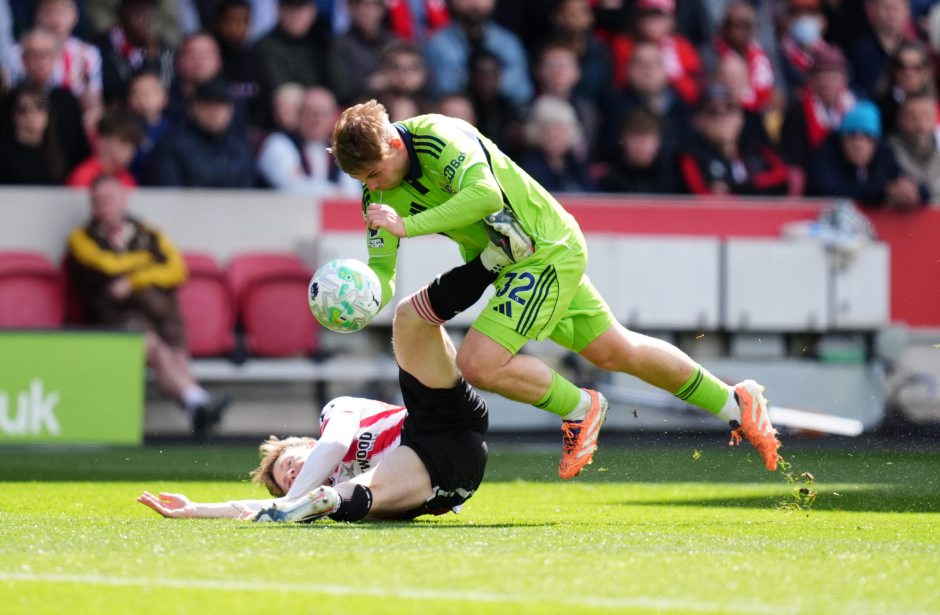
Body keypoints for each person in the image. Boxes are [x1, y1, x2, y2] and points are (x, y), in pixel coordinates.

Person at [329, 99, 783, 479]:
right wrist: (363, 297)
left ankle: (580, 408)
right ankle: (734, 402)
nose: (372, 186)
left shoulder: (439, 138)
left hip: (543, 249)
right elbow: (382, 269)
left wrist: (408, 226)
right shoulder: (377, 195)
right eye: (362, 181)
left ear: (394, 144)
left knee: (478, 363)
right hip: (516, 262)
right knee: (617, 351)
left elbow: (486, 195)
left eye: (374, 174)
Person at [138, 262, 490, 523]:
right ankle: (328, 505)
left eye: (289, 465)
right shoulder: (322, 489)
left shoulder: (334, 411)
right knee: (348, 503)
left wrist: (290, 500)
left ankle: (489, 263)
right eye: (288, 479)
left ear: (308, 443)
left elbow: (334, 444)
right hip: (444, 473)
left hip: (436, 418)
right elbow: (257, 509)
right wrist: (195, 509)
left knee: (409, 316)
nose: (292, 475)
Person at [66, 174, 231, 438]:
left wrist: (133, 280)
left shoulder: (149, 232)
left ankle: (197, 407)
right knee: (155, 350)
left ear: (123, 199)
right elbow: (107, 265)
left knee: (177, 356)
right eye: (98, 200)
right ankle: (198, 403)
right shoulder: (81, 237)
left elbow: (177, 270)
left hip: (161, 309)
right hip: (117, 314)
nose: (104, 205)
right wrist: (146, 260)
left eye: (109, 198)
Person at [808, 100, 928, 210]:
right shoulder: (826, 155)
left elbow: (917, 187)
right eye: (851, 136)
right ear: (842, 140)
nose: (858, 144)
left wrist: (913, 192)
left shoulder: (883, 155)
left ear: (875, 143)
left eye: (866, 137)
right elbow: (828, 190)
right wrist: (885, 191)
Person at [678, 83, 789, 196]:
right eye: (712, 112)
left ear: (740, 117)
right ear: (698, 121)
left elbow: (784, 175)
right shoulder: (691, 156)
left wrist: (740, 186)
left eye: (729, 109)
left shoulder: (758, 150)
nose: (722, 118)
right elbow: (705, 195)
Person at [147, 77, 255, 187]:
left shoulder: (241, 147)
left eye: (222, 104)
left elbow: (249, 190)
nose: (215, 111)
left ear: (231, 110)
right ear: (194, 107)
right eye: (208, 103)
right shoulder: (171, 146)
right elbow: (167, 191)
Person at [256, 86, 360, 196]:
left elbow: (352, 192)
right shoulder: (278, 143)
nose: (316, 119)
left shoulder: (343, 151)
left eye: (323, 113)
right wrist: (336, 191)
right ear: (298, 115)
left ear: (334, 118)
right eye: (310, 112)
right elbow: (290, 186)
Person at [0, 82, 69, 185]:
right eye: (22, 109)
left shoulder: (59, 151)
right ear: (12, 115)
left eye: (40, 107)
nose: (32, 114)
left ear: (48, 113)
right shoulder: (2, 151)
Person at [66, 111, 143, 187]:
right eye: (124, 143)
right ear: (103, 140)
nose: (130, 151)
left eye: (133, 146)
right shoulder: (83, 177)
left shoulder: (128, 179)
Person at [888, 91, 940, 203]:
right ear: (899, 120)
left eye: (926, 116)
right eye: (912, 117)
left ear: (934, 118)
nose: (920, 125)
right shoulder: (887, 153)